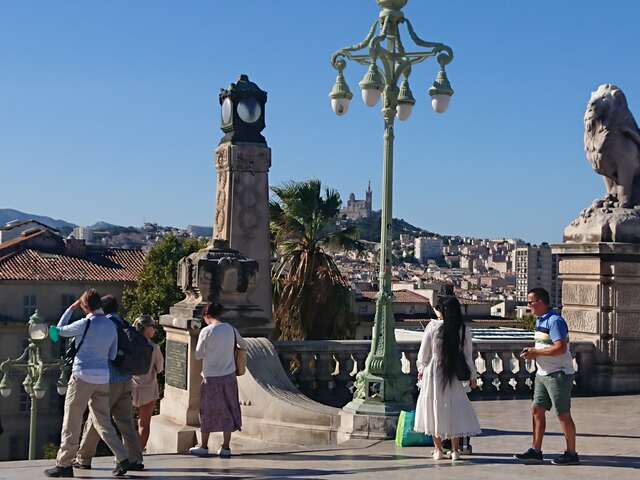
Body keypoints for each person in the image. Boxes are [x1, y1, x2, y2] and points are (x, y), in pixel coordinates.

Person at [45, 289, 130, 478]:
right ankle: (123, 457)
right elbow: (113, 355)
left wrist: (69, 309)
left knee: (72, 419)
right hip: (103, 379)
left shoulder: (84, 323)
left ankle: (64, 463)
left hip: (82, 376)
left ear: (84, 307)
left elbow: (55, 333)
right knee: (103, 421)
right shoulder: (110, 325)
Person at [72, 295, 144, 471]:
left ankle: (84, 458)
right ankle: (135, 459)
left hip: (109, 380)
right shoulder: (124, 323)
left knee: (96, 420)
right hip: (127, 380)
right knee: (126, 422)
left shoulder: (104, 324)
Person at [515, 287, 579, 465]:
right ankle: (536, 450)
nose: (528, 306)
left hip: (558, 374)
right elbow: (545, 346)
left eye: (530, 302)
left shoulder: (555, 321)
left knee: (563, 414)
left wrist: (535, 352)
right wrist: (534, 352)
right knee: (537, 410)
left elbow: (561, 348)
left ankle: (571, 453)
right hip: (543, 373)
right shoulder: (540, 321)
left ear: (540, 302)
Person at [414, 295, 481, 462]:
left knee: (434, 408)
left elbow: (424, 354)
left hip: (434, 372)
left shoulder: (432, 327)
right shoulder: (463, 329)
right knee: (454, 410)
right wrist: (473, 377)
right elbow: (467, 357)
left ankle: (438, 449)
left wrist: (421, 369)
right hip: (453, 374)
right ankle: (455, 450)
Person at [189, 303, 247, 458]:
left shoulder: (206, 331)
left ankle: (204, 445)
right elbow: (244, 344)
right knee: (228, 409)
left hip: (211, 377)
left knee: (207, 411)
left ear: (206, 316)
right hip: (229, 376)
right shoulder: (231, 329)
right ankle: (226, 447)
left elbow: (198, 355)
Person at [131, 315, 164, 451]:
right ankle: (138, 452)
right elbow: (160, 368)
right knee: (144, 423)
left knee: (125, 423)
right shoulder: (154, 348)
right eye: (152, 327)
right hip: (148, 388)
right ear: (146, 328)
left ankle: (125, 453)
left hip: (129, 386)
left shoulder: (129, 344)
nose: (154, 330)